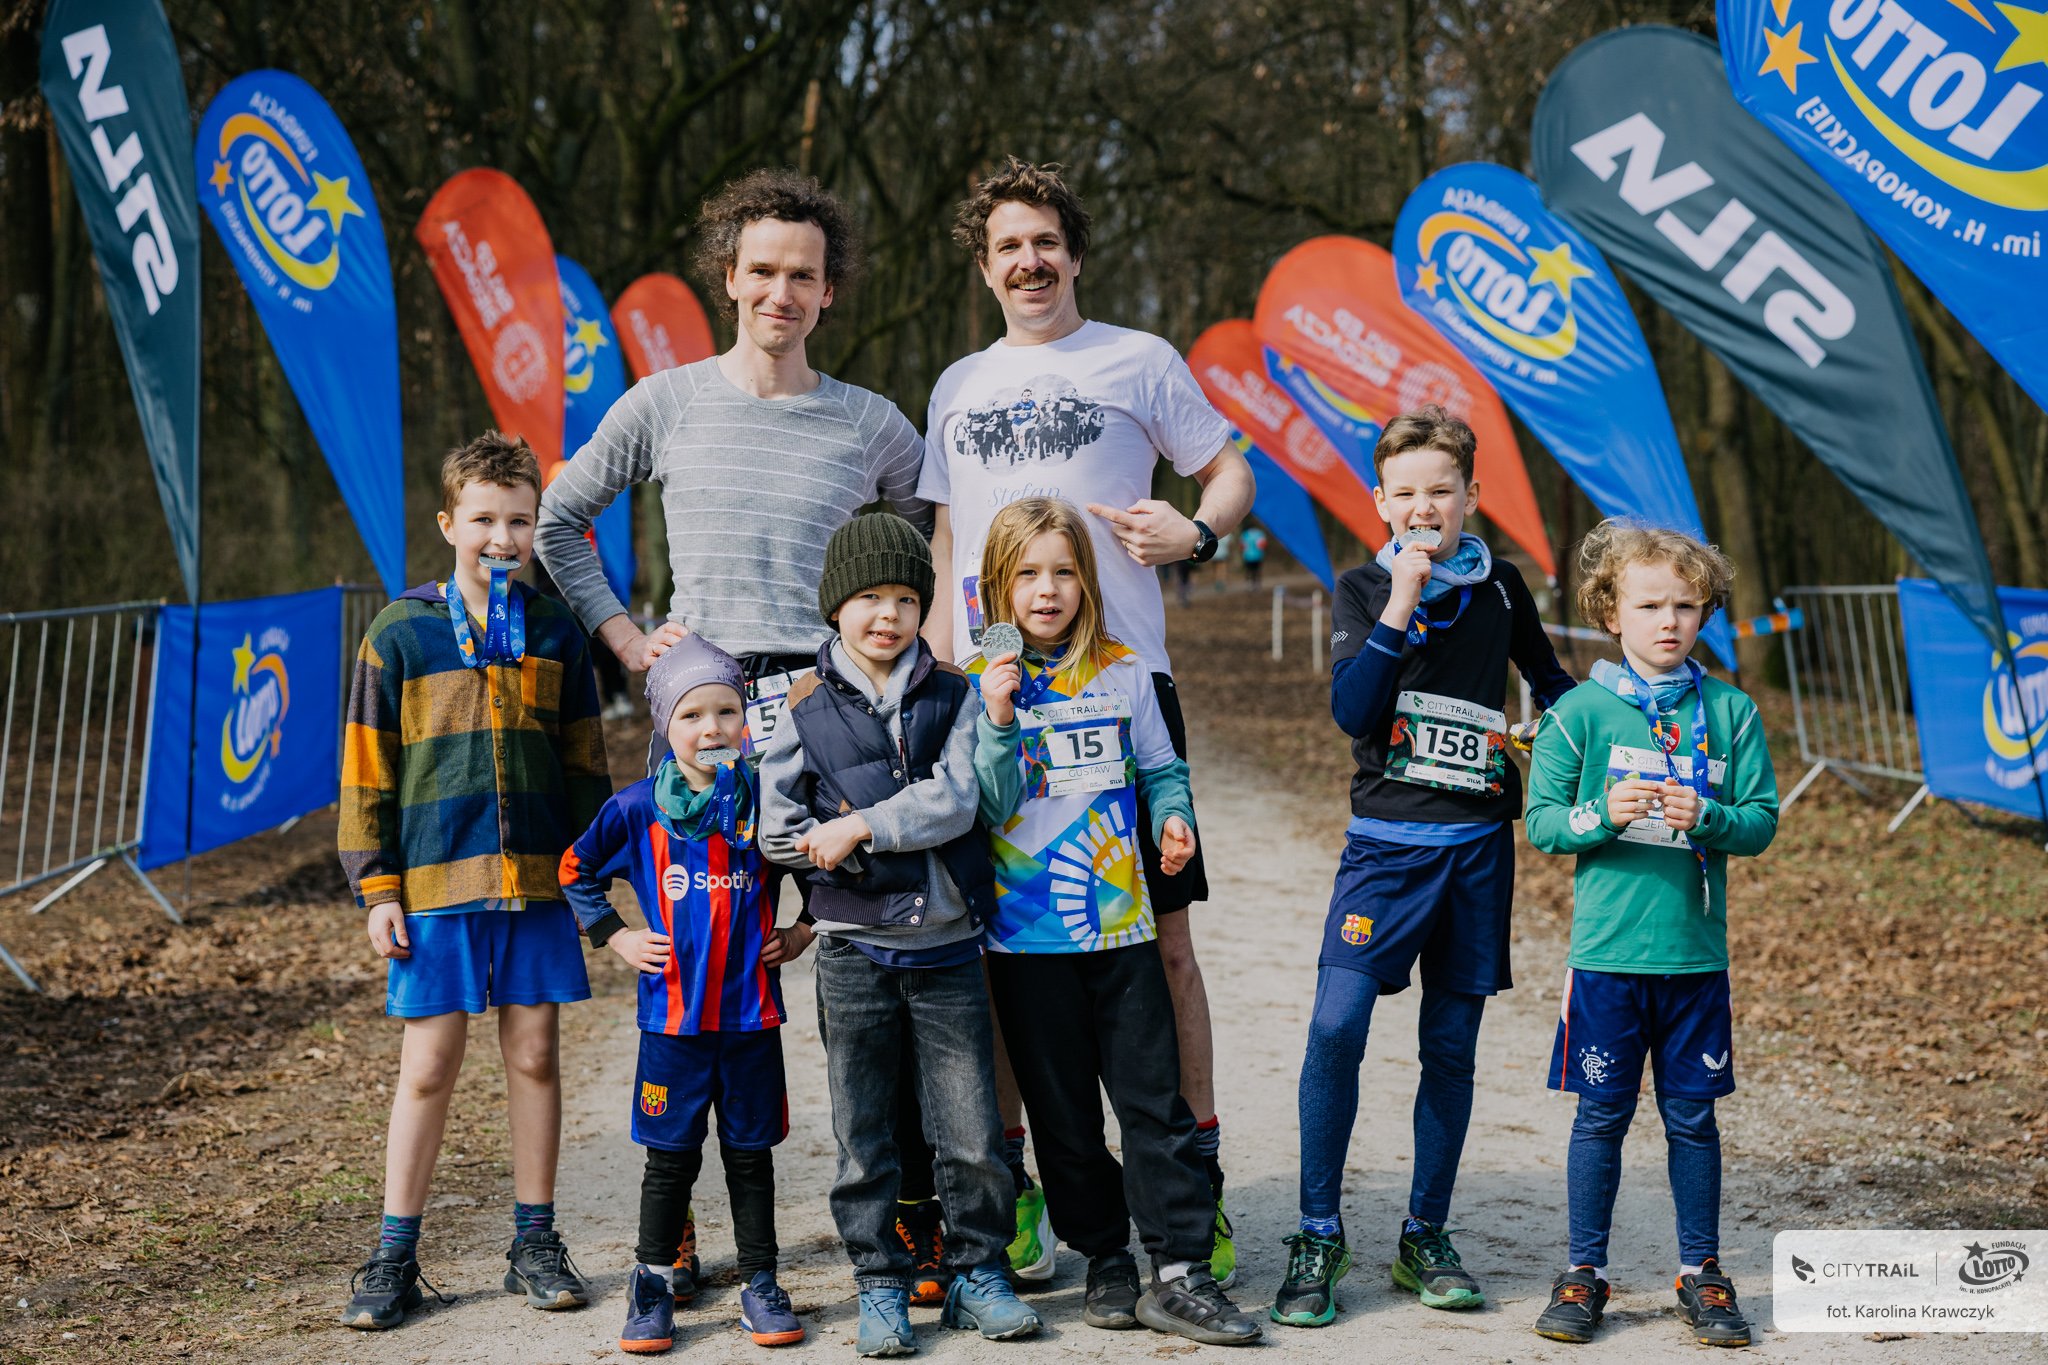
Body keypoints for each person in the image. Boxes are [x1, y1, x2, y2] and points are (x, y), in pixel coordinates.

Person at [534, 166, 937, 1278]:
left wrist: (892, 663)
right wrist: (627, 640)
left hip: (826, 717)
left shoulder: (873, 424)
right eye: (762, 270)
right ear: (728, 278)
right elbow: (559, 520)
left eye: (802, 275)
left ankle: (904, 1207)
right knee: (696, 969)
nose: (780, 292)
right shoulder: (663, 402)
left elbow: (919, 553)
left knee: (863, 965)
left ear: (829, 290)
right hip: (701, 716)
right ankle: (672, 1221)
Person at [921, 155, 1256, 1283]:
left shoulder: (1138, 359)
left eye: (1045, 243)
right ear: (984, 268)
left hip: (1123, 692)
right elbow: (945, 541)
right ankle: (1020, 1185)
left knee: (1162, 946)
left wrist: (1197, 533)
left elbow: (1228, 473)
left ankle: (1193, 1180)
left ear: (1074, 254)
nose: (1029, 262)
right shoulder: (957, 384)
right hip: (994, 702)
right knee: (1000, 953)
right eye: (1007, 247)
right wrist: (942, 675)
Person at [1272, 406, 1576, 1329]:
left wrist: (1620, 723)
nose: (1423, 507)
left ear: (1470, 495)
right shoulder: (1364, 587)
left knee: (1450, 1046)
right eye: (1404, 493)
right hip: (1384, 849)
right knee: (1335, 1026)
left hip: (1477, 853)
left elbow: (1551, 683)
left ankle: (1424, 1234)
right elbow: (1354, 711)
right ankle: (1318, 1233)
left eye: (1440, 490)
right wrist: (1401, 601)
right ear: (1379, 501)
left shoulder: (1502, 586)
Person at [969, 497, 1261, 1348]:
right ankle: (1104, 1257)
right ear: (997, 586)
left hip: (1121, 929)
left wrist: (1173, 819)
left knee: (1153, 1104)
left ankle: (1180, 1268)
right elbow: (985, 802)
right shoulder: (974, 683)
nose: (1047, 589)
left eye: (1064, 571)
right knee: (1063, 1120)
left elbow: (1163, 771)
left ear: (1087, 581)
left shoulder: (1126, 672)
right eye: (1028, 574)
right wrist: (996, 717)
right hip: (1026, 942)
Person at [338, 434, 613, 1331]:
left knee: (534, 1055)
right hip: (434, 885)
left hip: (537, 884)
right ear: (448, 522)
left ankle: (535, 1240)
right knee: (428, 1067)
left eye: (520, 521)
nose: (503, 538)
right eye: (485, 519)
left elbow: (585, 768)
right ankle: (394, 1254)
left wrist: (595, 877)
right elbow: (366, 771)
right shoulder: (399, 632)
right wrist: (378, 888)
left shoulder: (559, 631)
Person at [757, 514, 1041, 1358]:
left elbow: (960, 799)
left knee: (970, 1132)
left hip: (947, 947)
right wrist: (835, 846)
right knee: (865, 1131)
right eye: (870, 597)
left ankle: (978, 1271)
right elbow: (775, 827)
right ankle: (878, 1280)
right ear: (835, 606)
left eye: (907, 599)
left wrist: (861, 825)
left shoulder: (953, 692)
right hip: (853, 951)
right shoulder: (804, 706)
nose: (888, 614)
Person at [1523, 521, 1778, 1349]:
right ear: (1610, 612)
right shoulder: (1577, 714)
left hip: (1694, 958)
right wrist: (1601, 813)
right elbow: (1542, 822)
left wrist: (1710, 816)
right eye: (1649, 605)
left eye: (1686, 606)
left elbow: (1762, 821)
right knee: (1600, 1116)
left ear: (1705, 612)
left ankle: (1701, 1269)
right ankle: (1583, 1271)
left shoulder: (1731, 711)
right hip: (1607, 959)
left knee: (1693, 1120)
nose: (1669, 620)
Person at [558, 635, 812, 1354]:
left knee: (750, 1155)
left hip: (751, 1019)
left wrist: (802, 930)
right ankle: (651, 1282)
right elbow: (575, 869)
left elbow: (819, 866)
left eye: (726, 711)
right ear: (665, 726)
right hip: (672, 1024)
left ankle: (761, 1282)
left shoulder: (766, 802)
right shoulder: (637, 809)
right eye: (692, 715)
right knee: (670, 1158)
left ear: (745, 719)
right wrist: (617, 936)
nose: (711, 728)